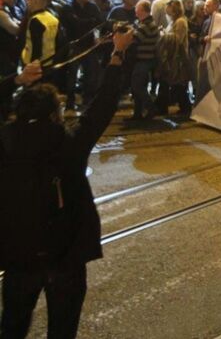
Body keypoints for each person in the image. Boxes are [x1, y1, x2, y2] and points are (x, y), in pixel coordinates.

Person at [0, 28, 134, 339]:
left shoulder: (5, 141)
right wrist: (117, 56)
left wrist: (15, 82)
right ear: (55, 115)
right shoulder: (69, 141)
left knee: (13, 326)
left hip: (19, 253)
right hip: (65, 253)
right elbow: (101, 107)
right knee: (63, 328)